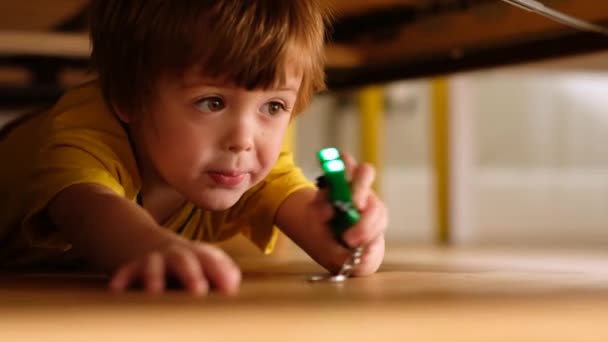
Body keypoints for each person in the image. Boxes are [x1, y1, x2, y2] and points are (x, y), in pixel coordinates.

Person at [0, 0, 388, 295]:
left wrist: (353, 237)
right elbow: (88, 211)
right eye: (212, 102)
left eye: (273, 106)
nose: (243, 139)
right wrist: (152, 246)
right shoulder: (83, 130)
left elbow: (313, 223)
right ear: (130, 99)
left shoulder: (247, 163)